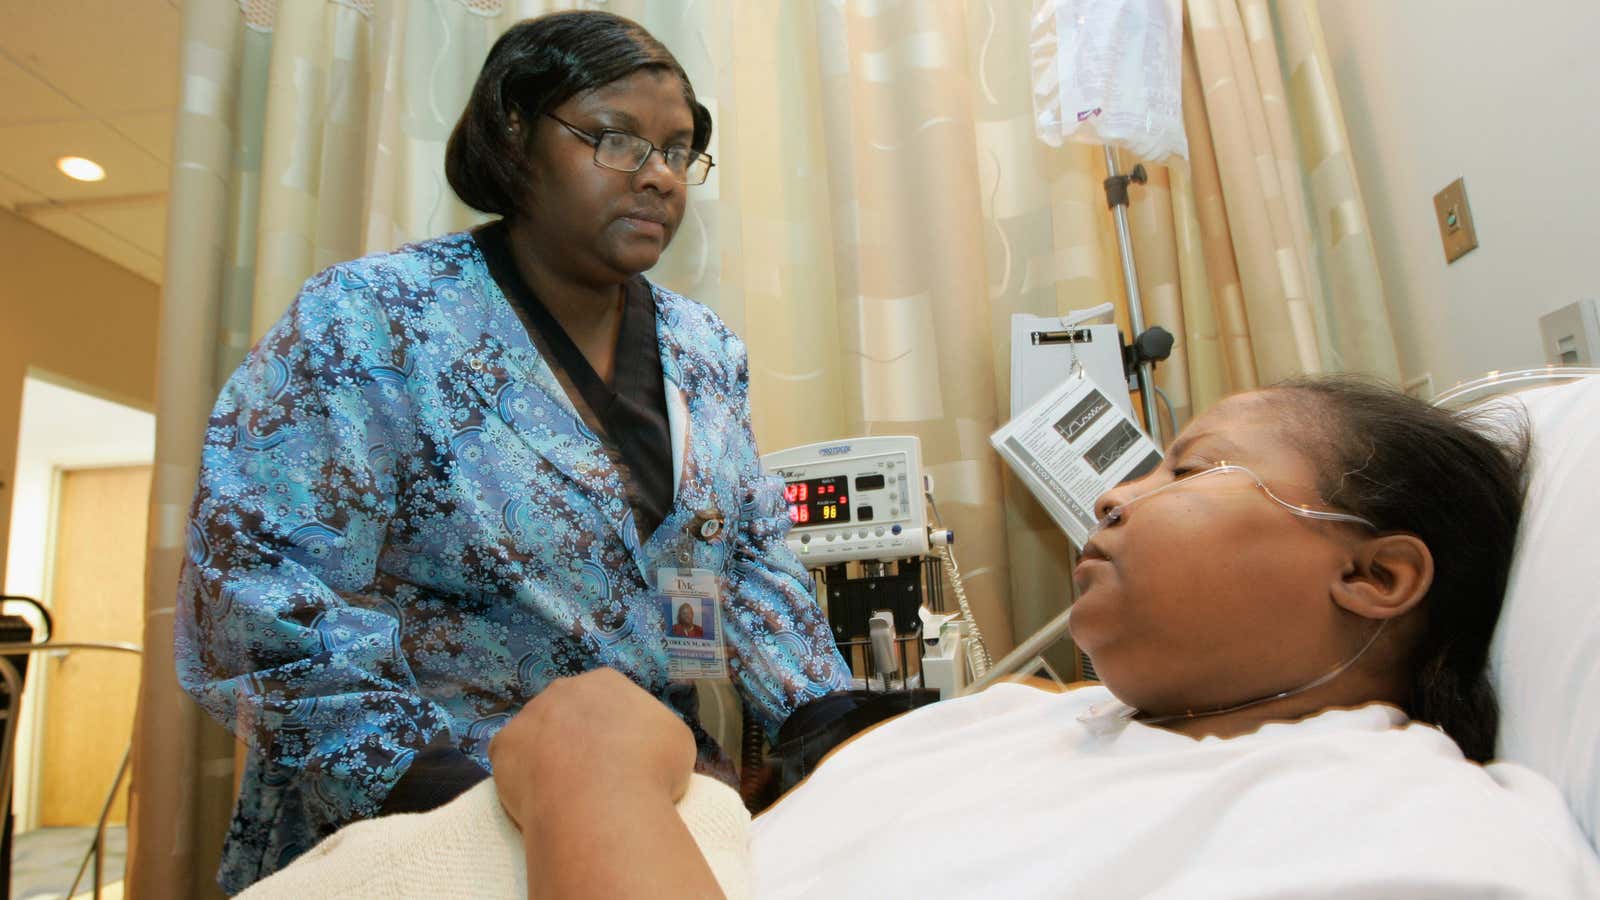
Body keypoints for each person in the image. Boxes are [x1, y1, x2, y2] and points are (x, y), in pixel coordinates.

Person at [173, 11, 851, 892]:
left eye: (679, 151)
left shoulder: (702, 349)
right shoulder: (372, 320)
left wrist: (828, 722)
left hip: (650, 799)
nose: (659, 178)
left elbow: (743, 556)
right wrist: (436, 789)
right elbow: (252, 579)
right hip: (416, 814)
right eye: (616, 139)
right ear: (514, 136)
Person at [485, 377, 1600, 898]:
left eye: (1191, 467)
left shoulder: (1409, 834)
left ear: (1373, 573)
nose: (1113, 493)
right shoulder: (1037, 722)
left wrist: (594, 771)